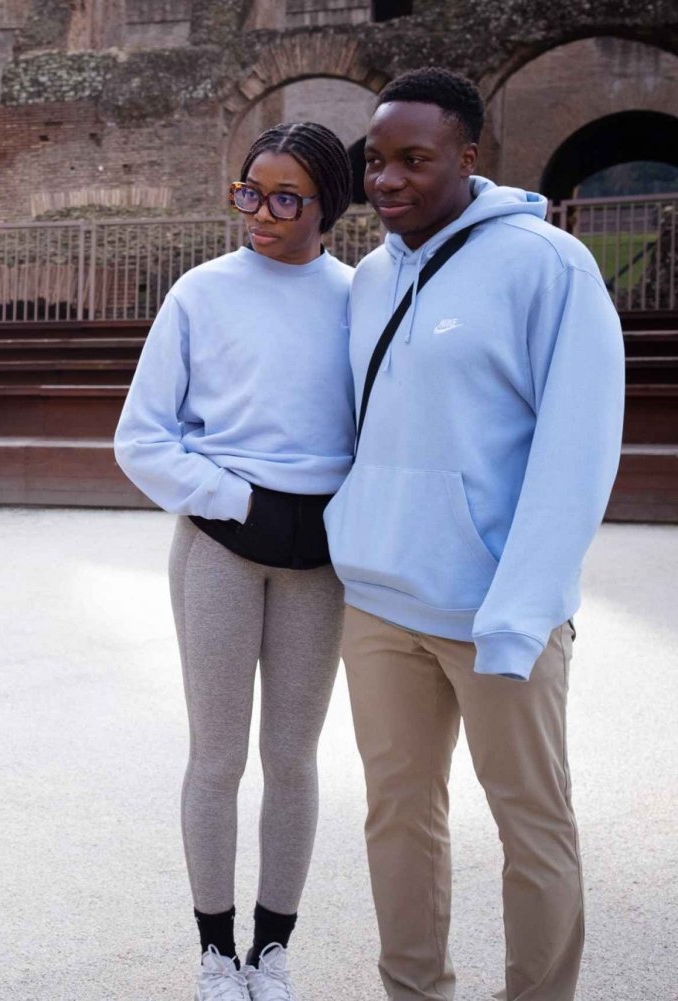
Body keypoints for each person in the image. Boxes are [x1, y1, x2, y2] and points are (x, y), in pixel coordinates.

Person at [323, 68, 624, 1001]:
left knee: (533, 823)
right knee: (397, 818)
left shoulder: (546, 265)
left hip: (496, 607)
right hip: (378, 602)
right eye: (375, 162)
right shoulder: (370, 276)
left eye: (414, 159)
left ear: (468, 156)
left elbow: (576, 452)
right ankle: (414, 989)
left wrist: (522, 610)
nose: (389, 180)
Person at [115, 122, 356, 1001]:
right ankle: (216, 952)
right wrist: (239, 502)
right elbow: (141, 437)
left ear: (328, 202)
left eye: (285, 197)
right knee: (216, 755)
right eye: (248, 191)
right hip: (223, 543)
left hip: (319, 554)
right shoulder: (200, 293)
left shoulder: (359, 296)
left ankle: (274, 948)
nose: (261, 212)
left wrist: (333, 516)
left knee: (294, 755)